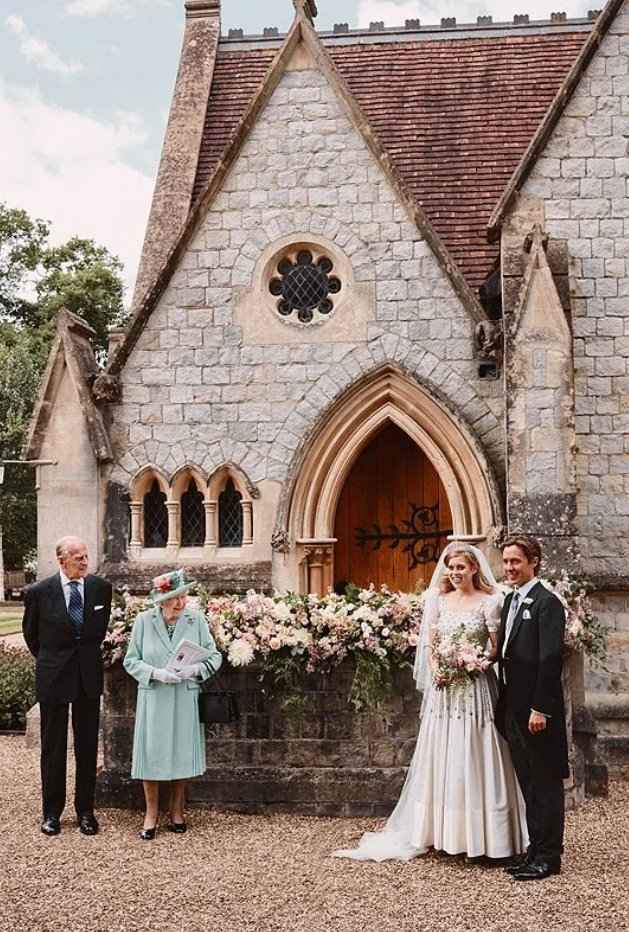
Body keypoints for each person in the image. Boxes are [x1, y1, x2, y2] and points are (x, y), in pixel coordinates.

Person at [334, 542, 527, 862]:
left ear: (474, 569)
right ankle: (441, 831)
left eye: (461, 567)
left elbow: (496, 648)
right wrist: (438, 669)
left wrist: (475, 663)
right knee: (445, 751)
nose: (454, 573)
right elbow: (430, 645)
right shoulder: (437, 600)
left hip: (474, 688)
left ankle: (486, 836)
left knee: (476, 751)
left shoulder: (490, 602)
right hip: (444, 692)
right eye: (451, 567)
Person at [22, 536, 113, 837]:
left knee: (87, 746)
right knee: (53, 747)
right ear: (61, 560)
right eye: (77, 557)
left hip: (88, 676)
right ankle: (51, 813)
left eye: (86, 556)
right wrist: (54, 661)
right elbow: (32, 636)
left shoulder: (102, 588)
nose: (84, 561)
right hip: (53, 675)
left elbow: (97, 634)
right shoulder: (38, 592)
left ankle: (86, 811)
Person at [123, 569, 223, 839]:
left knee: (181, 753)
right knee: (151, 755)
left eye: (183, 596)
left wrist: (195, 670)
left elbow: (214, 657)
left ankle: (177, 811)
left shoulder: (196, 620)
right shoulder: (144, 621)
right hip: (154, 695)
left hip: (184, 694)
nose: (180, 603)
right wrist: (156, 673)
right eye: (174, 598)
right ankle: (151, 814)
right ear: (161, 600)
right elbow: (130, 661)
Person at [495, 534, 568, 881]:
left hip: (537, 712)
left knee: (545, 782)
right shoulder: (510, 601)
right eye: (506, 561)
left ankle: (549, 857)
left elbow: (550, 660)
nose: (509, 568)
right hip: (513, 707)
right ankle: (534, 851)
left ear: (533, 561)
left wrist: (541, 708)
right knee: (528, 782)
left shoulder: (547, 603)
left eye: (516, 562)